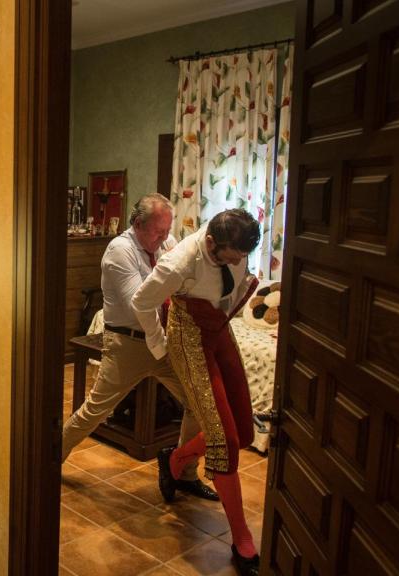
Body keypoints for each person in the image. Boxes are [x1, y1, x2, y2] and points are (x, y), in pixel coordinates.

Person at [62, 193, 218, 502]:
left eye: (167, 230)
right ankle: (50, 459)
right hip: (128, 345)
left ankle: (183, 473)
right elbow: (140, 304)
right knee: (95, 411)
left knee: (199, 403)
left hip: (163, 341)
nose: (164, 238)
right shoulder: (119, 252)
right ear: (137, 224)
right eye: (158, 231)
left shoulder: (165, 243)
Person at [131, 208, 262, 576]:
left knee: (244, 429)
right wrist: (160, 348)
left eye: (244, 254)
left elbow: (234, 284)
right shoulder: (178, 264)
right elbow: (142, 301)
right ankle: (241, 539)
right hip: (188, 336)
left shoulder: (234, 243)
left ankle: (175, 460)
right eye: (234, 255)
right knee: (223, 439)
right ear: (210, 243)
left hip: (218, 329)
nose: (240, 260)